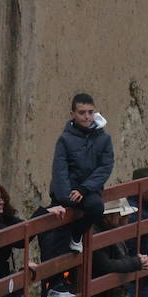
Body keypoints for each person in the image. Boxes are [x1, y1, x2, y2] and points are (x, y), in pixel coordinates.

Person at [50, 93, 113, 252]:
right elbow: (60, 169)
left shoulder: (104, 139)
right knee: (56, 222)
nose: (86, 117)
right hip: (68, 188)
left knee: (96, 207)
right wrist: (66, 196)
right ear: (73, 114)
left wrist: (84, 189)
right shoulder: (64, 139)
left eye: (90, 112)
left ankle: (76, 235)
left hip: (88, 189)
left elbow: (105, 167)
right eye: (82, 112)